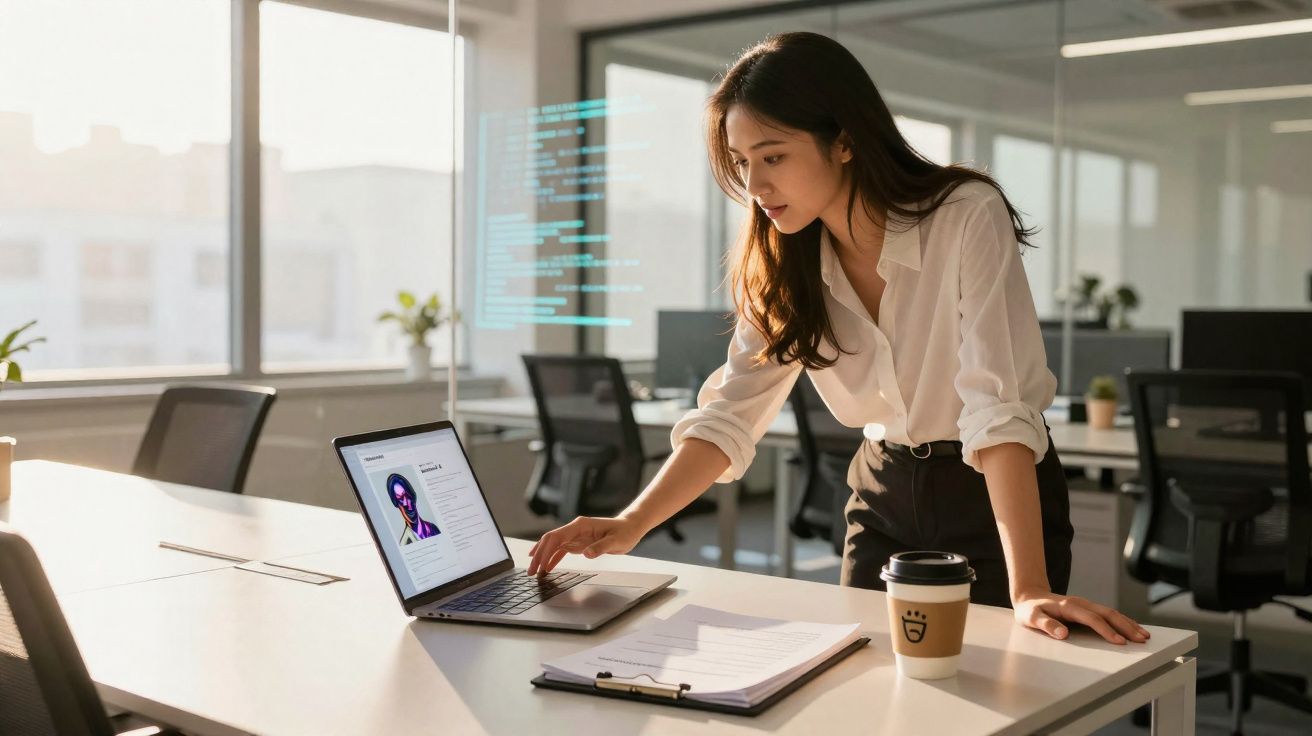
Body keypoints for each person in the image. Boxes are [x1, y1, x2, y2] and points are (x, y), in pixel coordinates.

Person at [528, 32, 1148, 646]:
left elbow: (997, 406)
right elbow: (730, 415)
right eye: (742, 162)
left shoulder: (964, 214)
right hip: (882, 489)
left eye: (773, 157)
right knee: (864, 674)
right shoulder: (783, 261)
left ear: (844, 141)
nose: (755, 185)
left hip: (989, 492)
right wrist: (632, 521)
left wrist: (1029, 586)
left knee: (999, 682)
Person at [386, 473, 441, 545]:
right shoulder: (405, 543)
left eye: (407, 495)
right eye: (400, 499)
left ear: (413, 497)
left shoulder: (433, 528)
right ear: (397, 505)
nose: (406, 503)